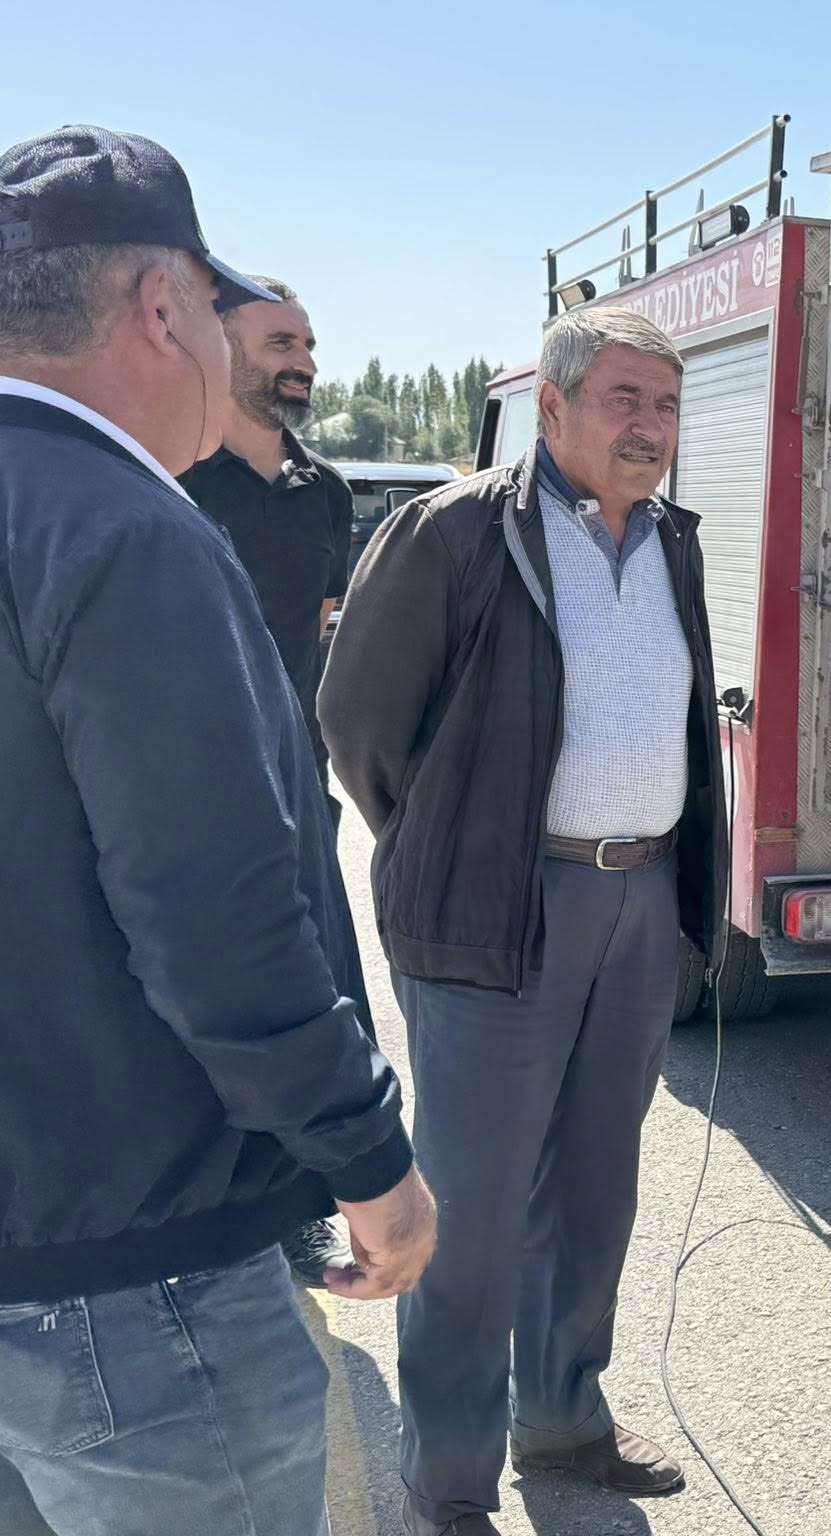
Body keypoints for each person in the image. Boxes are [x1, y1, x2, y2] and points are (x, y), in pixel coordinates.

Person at [0, 125, 435, 1536]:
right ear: (160, 307)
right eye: (210, 306)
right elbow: (211, 919)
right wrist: (368, 1162)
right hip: (139, 1278)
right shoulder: (122, 525)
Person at [320, 305, 726, 1536]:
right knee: (471, 1208)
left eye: (665, 403)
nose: (649, 425)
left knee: (593, 1188)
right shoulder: (453, 532)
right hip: (500, 902)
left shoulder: (672, 540)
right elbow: (358, 724)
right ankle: (449, 1480)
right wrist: (453, 842)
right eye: (622, 398)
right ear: (549, 408)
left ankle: (563, 1418)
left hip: (638, 897)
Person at [179, 272, 367, 1288]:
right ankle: (195, 1209)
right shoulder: (169, 477)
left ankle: (294, 1208)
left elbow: (321, 636)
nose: (303, 364)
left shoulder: (325, 493)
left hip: (294, 787)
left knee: (303, 994)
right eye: (280, 344)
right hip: (178, 789)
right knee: (189, 1002)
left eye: (308, 346)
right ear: (220, 345)